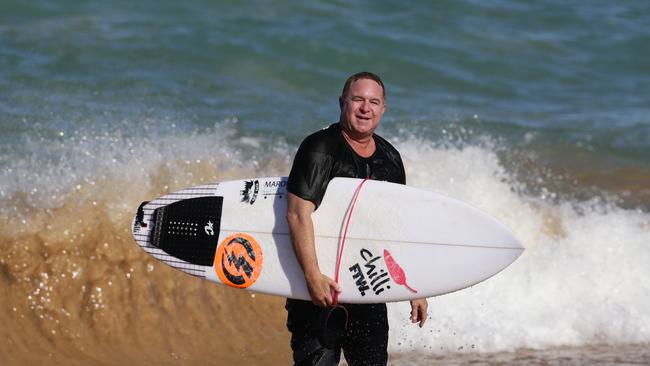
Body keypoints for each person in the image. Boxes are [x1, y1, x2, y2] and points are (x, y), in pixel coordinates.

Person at [285, 71, 428, 366]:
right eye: (358, 100)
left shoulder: (390, 159)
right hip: (320, 292)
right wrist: (312, 277)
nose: (366, 108)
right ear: (342, 102)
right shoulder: (320, 148)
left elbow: (395, 227)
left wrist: (416, 288)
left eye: (374, 102)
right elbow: (298, 215)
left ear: (383, 109)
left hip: (369, 288)